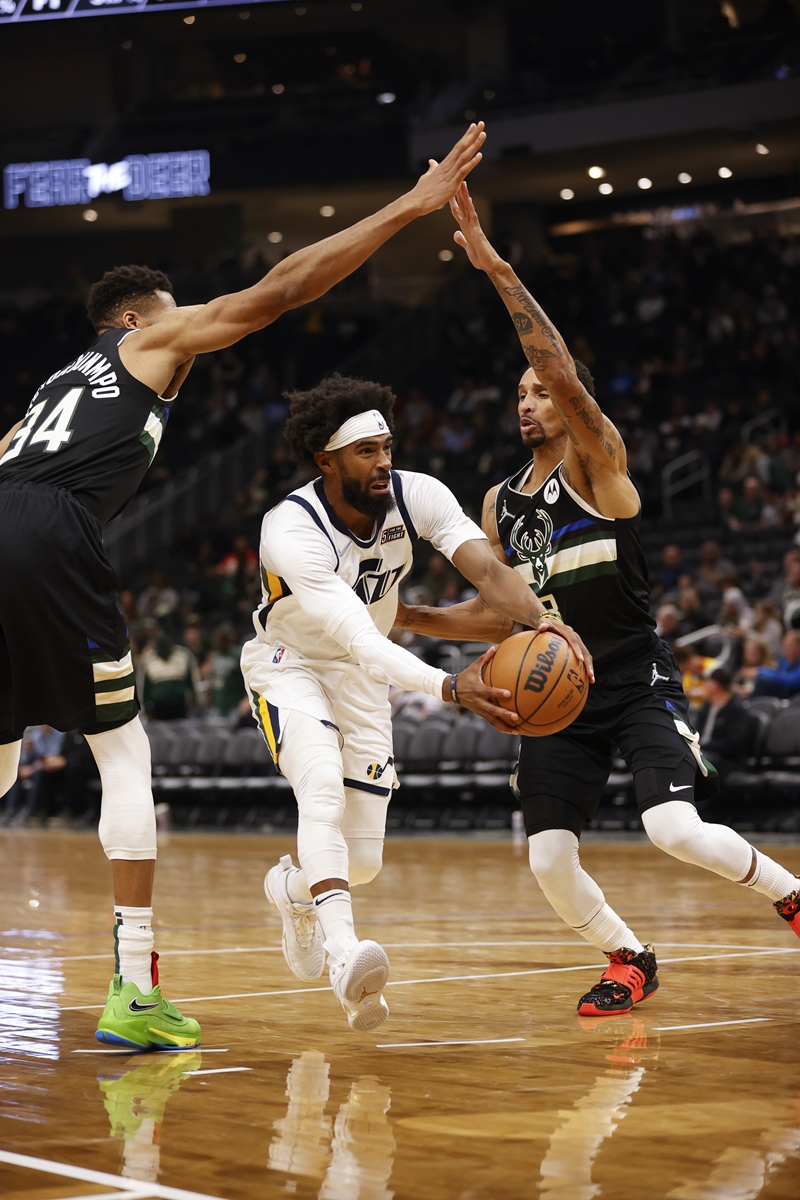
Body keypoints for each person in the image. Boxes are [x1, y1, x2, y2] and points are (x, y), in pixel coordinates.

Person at [0, 120, 488, 1050]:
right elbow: (277, 292)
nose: (190, 348)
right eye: (177, 321)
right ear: (139, 318)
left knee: (1, 761)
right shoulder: (144, 342)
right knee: (122, 754)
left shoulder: (50, 394)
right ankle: (134, 988)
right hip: (48, 529)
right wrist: (407, 208)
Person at [395, 181, 800, 1018]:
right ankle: (628, 956)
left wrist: (498, 268)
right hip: (561, 696)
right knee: (547, 858)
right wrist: (405, 616)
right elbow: (505, 613)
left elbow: (559, 367)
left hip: (632, 674)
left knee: (674, 831)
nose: (529, 402)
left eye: (538, 392)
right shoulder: (498, 504)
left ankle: (791, 898)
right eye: (519, 398)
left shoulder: (598, 465)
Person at [241, 373, 591, 1033]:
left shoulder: (418, 494)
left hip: (363, 678)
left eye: (386, 446)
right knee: (319, 789)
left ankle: (291, 891)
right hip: (292, 664)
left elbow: (488, 571)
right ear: (327, 461)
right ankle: (346, 960)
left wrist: (546, 621)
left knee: (363, 861)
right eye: (365, 452)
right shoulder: (290, 529)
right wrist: (449, 685)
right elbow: (359, 637)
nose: (382, 462)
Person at [695, 669, 760, 786]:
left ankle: (698, 803)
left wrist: (704, 746)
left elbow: (734, 744)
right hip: (705, 752)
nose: (704, 685)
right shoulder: (707, 707)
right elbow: (695, 731)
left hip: (728, 759)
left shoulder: (738, 710)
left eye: (707, 682)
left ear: (715, 685)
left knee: (699, 763)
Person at [744, 630, 800, 699]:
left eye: (790, 645)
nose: (786, 648)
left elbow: (791, 681)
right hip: (781, 693)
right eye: (784, 645)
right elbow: (778, 674)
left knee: (762, 682)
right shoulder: (785, 662)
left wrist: (760, 671)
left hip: (793, 697)